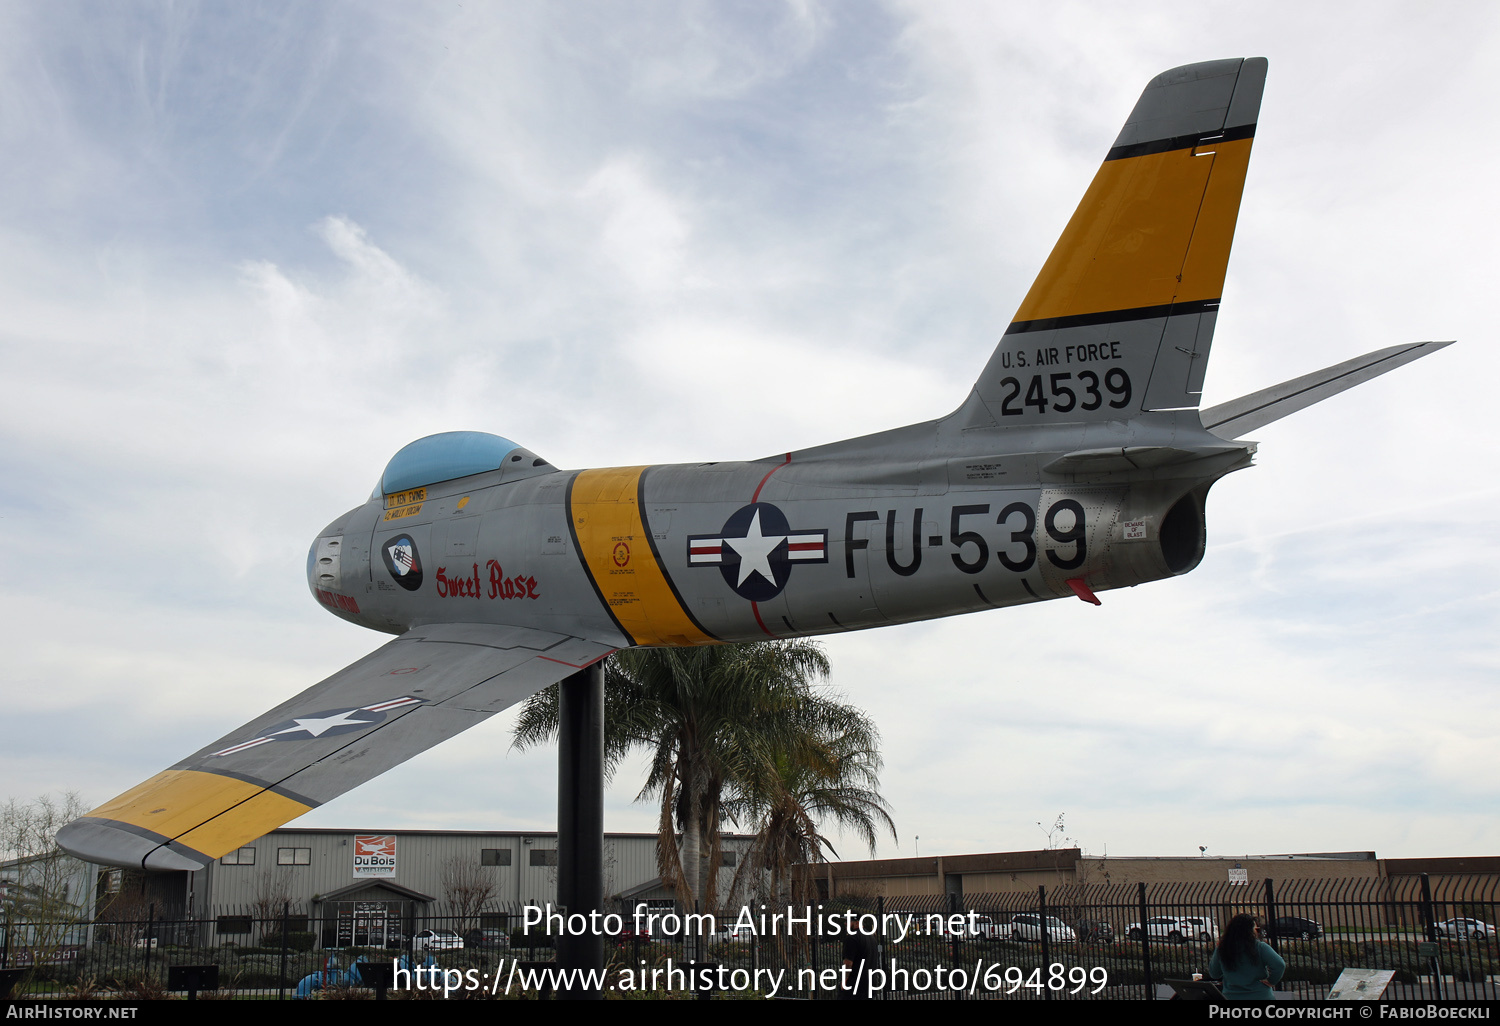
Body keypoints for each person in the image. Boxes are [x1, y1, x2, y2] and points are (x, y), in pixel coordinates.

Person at [1208, 914, 1286, 1000]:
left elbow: (1214, 973)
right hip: (1260, 995)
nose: (1257, 932)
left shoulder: (1222, 949)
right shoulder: (1260, 947)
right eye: (1256, 929)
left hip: (1231, 996)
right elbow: (1279, 964)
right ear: (1250, 931)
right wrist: (1272, 981)